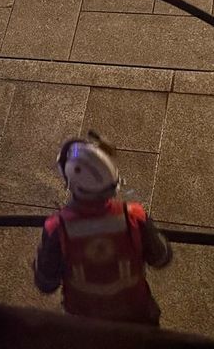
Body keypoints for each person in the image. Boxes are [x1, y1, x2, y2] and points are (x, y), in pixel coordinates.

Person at [32, 134, 172, 326]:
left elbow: (46, 283)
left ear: (70, 180)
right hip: (138, 319)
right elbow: (161, 258)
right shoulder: (134, 215)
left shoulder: (57, 227)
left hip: (85, 325)